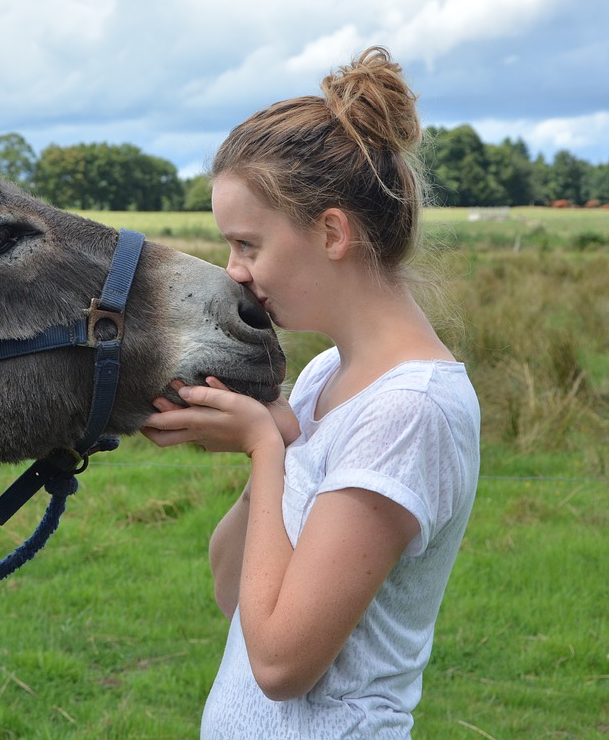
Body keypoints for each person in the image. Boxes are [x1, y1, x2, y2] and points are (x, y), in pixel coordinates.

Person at [142, 47, 479, 738]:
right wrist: (277, 443)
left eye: (247, 244)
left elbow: (280, 664)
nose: (234, 273)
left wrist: (265, 448)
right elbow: (231, 591)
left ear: (331, 233)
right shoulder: (328, 373)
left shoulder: (410, 410)